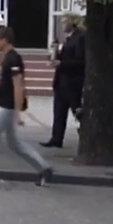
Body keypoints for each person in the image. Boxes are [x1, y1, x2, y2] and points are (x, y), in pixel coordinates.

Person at [0, 28, 53, 185]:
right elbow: (9, 82)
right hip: (5, 104)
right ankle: (44, 168)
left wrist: (17, 112)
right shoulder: (8, 58)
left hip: (6, 106)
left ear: (5, 40)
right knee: (14, 143)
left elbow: (18, 86)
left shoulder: (13, 59)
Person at [42, 13, 84, 148]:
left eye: (65, 21)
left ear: (72, 22)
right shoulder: (66, 39)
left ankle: (85, 136)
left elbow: (81, 61)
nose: (62, 24)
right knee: (59, 112)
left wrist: (61, 63)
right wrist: (55, 53)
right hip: (61, 82)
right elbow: (61, 57)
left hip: (73, 82)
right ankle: (56, 138)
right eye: (62, 22)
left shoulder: (79, 38)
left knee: (77, 112)